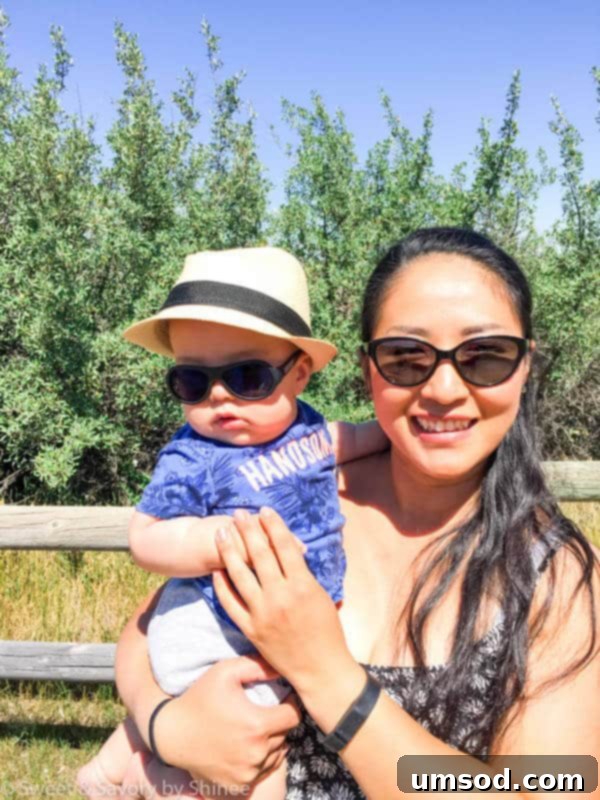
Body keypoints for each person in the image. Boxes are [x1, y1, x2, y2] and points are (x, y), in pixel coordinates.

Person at [96, 229, 600, 799]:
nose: (443, 388)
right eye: (406, 357)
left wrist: (329, 678)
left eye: (485, 356)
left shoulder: (554, 577)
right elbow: (143, 633)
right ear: (368, 371)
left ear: (525, 366)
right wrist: (168, 727)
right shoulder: (302, 495)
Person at [76, 247, 387, 800]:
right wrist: (215, 540)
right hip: (217, 622)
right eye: (193, 383)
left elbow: (348, 439)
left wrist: (395, 430)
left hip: (270, 618)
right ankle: (138, 776)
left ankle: (121, 769)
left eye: (246, 376)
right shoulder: (193, 455)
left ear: (299, 374)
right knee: (261, 751)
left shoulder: (309, 430)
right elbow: (145, 536)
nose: (219, 397)